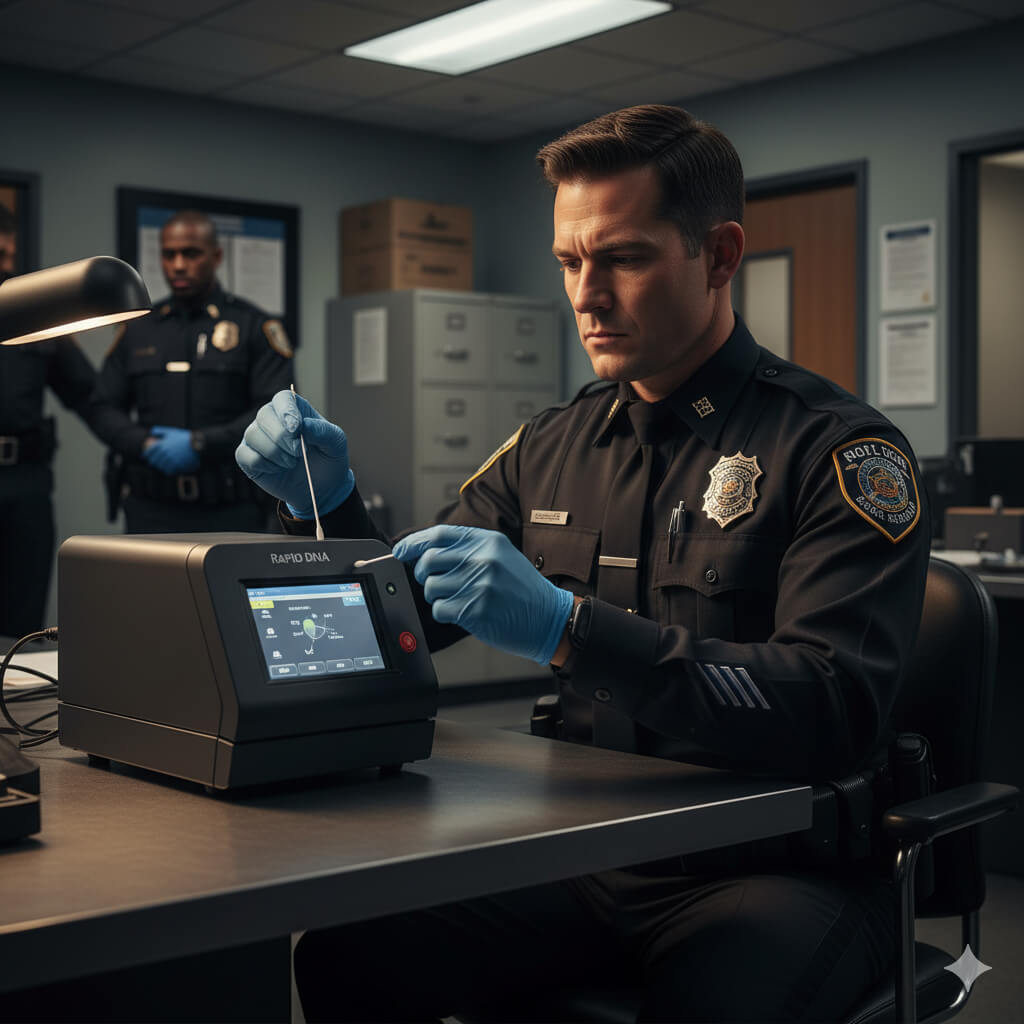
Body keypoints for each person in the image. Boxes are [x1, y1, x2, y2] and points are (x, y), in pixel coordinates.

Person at [236, 105, 930, 1022]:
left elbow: (832, 707)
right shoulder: (551, 443)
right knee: (350, 956)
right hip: (583, 856)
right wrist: (322, 503)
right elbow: (403, 616)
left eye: (624, 258)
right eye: (570, 261)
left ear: (720, 256)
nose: (585, 295)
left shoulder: (840, 453)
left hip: (774, 869)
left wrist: (572, 632)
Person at [89, 209, 294, 534]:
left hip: (231, 508)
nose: (179, 265)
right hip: (150, 507)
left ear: (216, 256)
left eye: (191, 253)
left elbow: (273, 413)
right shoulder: (139, 329)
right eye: (169, 254)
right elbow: (101, 407)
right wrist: (142, 442)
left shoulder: (254, 326)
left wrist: (201, 443)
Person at [0, 202, 105, 638]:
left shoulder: (32, 315)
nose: (5, 266)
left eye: (8, 255)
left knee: (22, 617)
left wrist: (143, 446)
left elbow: (92, 398)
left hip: (24, 484)